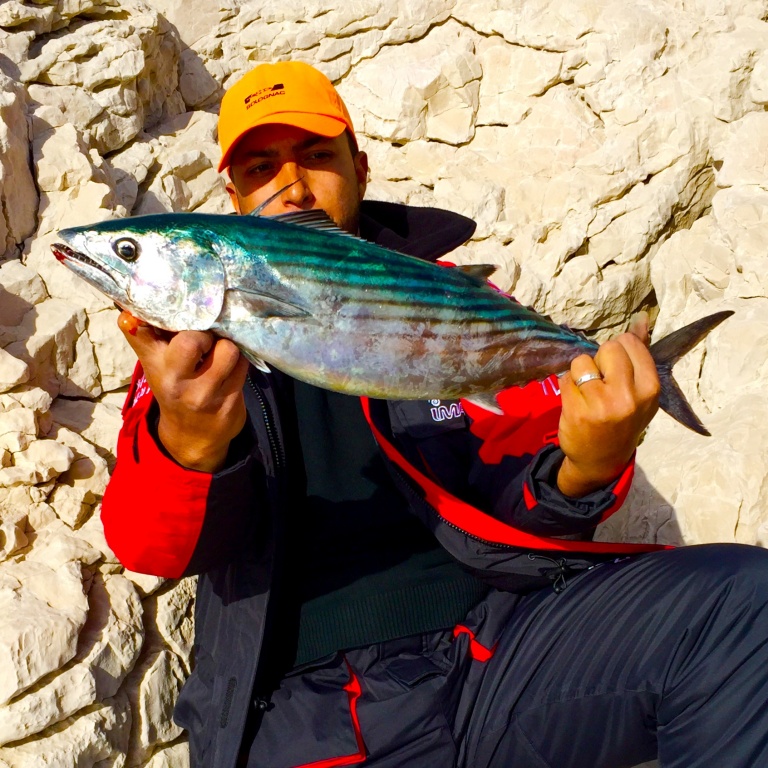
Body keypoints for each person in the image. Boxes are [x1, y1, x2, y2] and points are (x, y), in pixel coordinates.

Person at [102, 61, 768, 768]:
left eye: (318, 157)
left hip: (502, 653)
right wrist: (187, 442)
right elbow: (150, 548)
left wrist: (592, 460)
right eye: (262, 169)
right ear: (230, 194)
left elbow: (529, 505)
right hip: (306, 712)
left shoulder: (449, 297)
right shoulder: (183, 358)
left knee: (744, 603)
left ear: (359, 166)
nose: (293, 185)